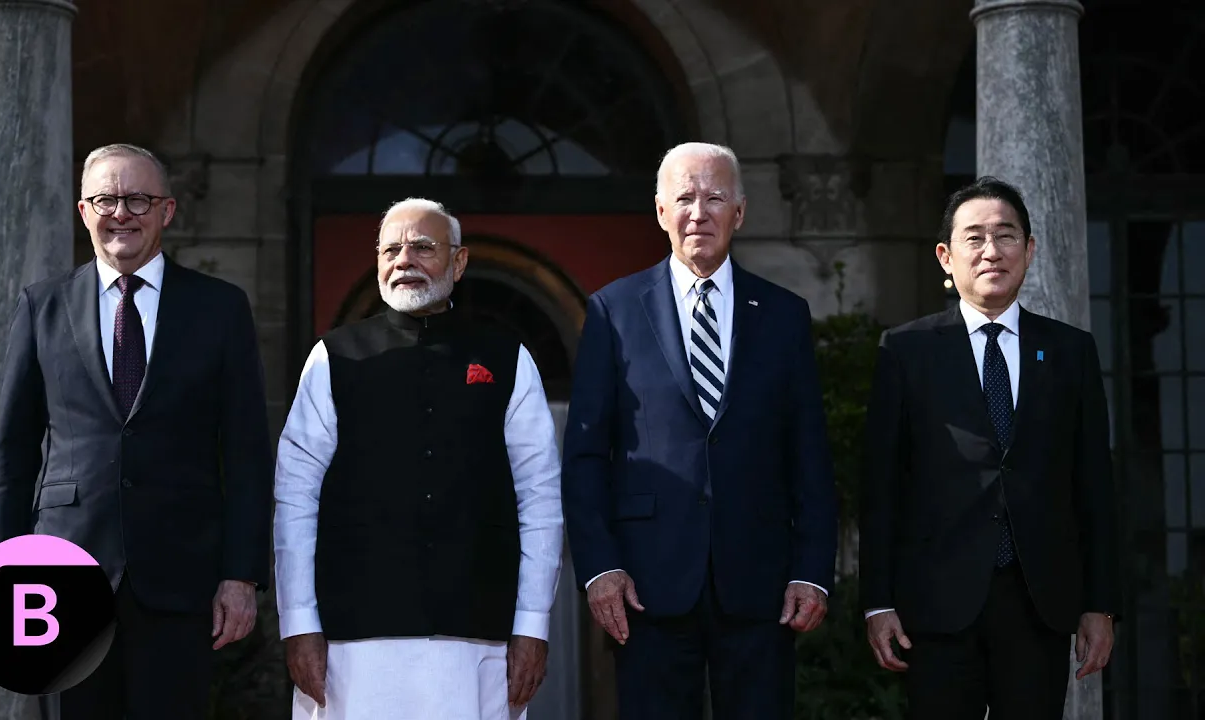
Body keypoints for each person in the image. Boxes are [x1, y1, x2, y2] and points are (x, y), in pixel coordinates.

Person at [0, 143, 274, 719]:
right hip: (60, 585)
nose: (122, 213)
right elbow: (11, 454)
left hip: (181, 578)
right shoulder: (42, 307)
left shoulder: (220, 308)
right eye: (106, 200)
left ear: (167, 210)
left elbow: (247, 453)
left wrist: (241, 576)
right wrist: (3, 575)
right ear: (83, 211)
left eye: (138, 199)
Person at [560, 142, 839, 719]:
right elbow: (586, 454)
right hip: (646, 581)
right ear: (661, 210)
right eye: (685, 197)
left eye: (714, 198)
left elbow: (808, 452)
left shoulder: (784, 314)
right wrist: (600, 568)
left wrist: (813, 571)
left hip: (761, 581)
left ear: (740, 212)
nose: (698, 212)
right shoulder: (614, 310)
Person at [273, 197, 565, 720]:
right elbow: (295, 497)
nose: (404, 260)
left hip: (478, 638)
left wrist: (531, 626)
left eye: (423, 247)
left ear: (459, 261)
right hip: (352, 639)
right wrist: (299, 623)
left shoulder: (505, 357)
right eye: (391, 250)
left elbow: (540, 497)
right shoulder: (334, 357)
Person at [858, 176, 1121, 719]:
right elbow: (881, 486)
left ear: (1030, 249)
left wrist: (1100, 604)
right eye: (974, 237)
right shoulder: (907, 351)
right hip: (936, 602)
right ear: (945, 256)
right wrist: (877, 602)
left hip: (1038, 600)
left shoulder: (1070, 351)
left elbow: (1094, 482)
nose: (991, 251)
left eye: (1006, 236)